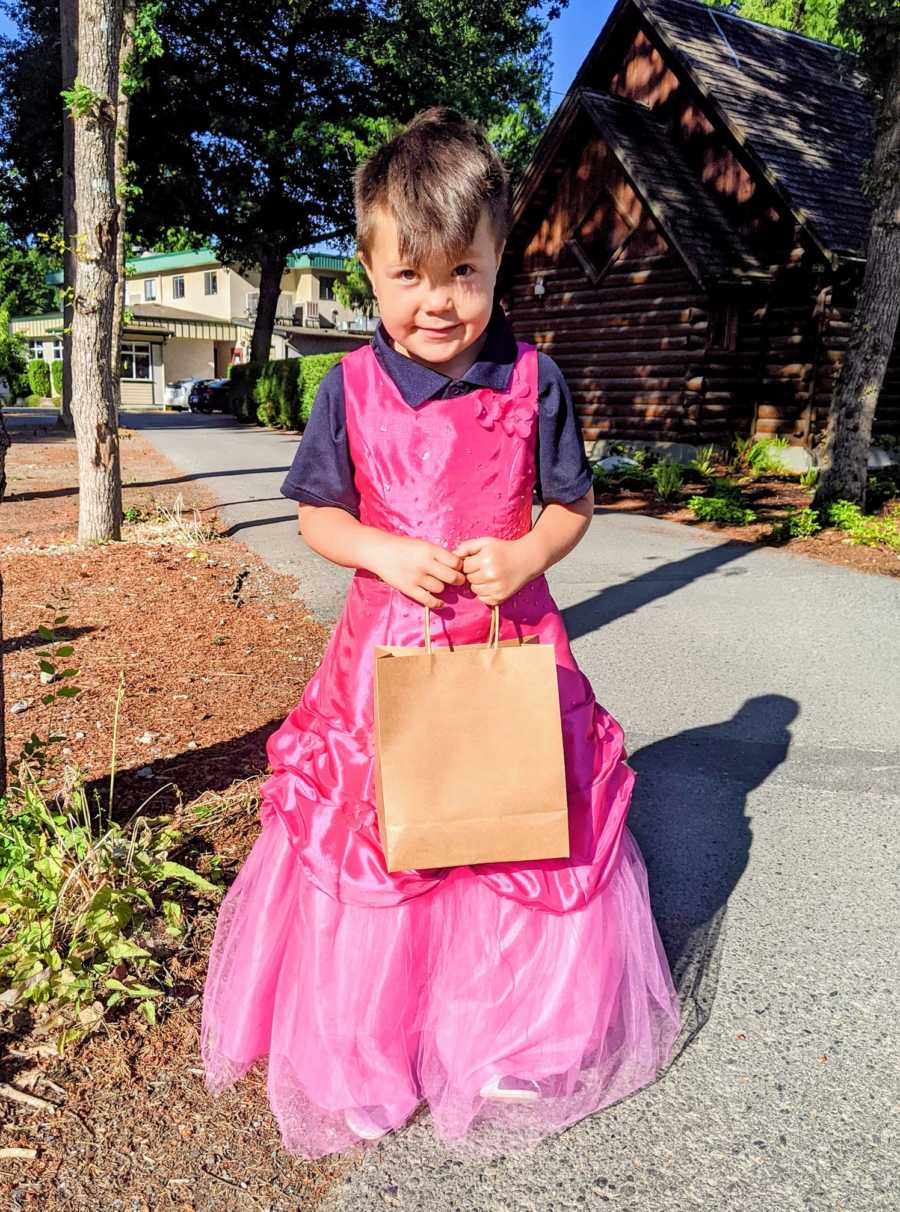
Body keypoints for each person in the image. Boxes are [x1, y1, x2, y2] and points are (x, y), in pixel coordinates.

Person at [200, 106, 680, 1160]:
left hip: (513, 647)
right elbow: (319, 514)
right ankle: (362, 1051)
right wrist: (379, 551)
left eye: (464, 273)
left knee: (512, 828)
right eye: (408, 275)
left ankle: (512, 1034)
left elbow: (571, 503)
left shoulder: (531, 380)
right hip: (388, 655)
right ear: (369, 267)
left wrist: (526, 555)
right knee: (387, 839)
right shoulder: (352, 388)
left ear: (501, 258)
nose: (436, 301)